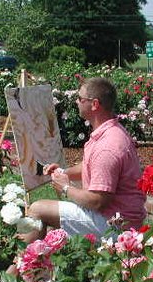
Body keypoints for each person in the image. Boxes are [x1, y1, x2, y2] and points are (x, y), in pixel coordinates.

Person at [18, 77, 146, 243]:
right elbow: (90, 166)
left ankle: (21, 263)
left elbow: (97, 201)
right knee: (46, 215)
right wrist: (63, 172)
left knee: (37, 209)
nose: (76, 102)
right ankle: (37, 264)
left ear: (94, 104)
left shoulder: (107, 146)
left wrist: (65, 188)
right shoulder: (110, 131)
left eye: (80, 98)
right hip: (120, 218)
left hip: (117, 227)